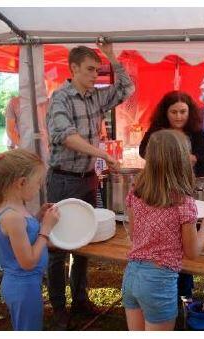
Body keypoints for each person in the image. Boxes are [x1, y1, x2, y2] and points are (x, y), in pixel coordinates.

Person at [45, 39, 133, 320]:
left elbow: (127, 88)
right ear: (73, 68)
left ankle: (80, 300)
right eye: (91, 69)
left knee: (84, 242)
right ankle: (59, 308)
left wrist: (112, 57)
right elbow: (65, 136)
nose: (96, 75)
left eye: (98, 70)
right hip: (62, 180)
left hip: (87, 179)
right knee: (59, 246)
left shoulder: (96, 96)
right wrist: (102, 154)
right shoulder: (60, 98)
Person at [122, 129, 204, 331]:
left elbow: (136, 234)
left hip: (131, 274)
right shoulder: (184, 202)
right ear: (181, 159)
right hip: (158, 281)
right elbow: (193, 252)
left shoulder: (136, 191)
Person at [0, 149, 59, 330]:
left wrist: (38, 217)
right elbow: (28, 262)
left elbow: (24, 233)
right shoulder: (13, 217)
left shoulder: (14, 208)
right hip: (23, 287)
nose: (40, 186)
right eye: (38, 182)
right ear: (22, 183)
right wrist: (46, 229)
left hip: (27, 284)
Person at [139, 91, 204, 177]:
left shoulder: (197, 131)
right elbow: (143, 151)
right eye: (174, 112)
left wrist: (195, 158)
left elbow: (203, 157)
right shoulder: (156, 129)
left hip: (189, 180)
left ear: (189, 112)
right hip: (161, 179)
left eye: (183, 112)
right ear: (166, 113)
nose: (178, 117)